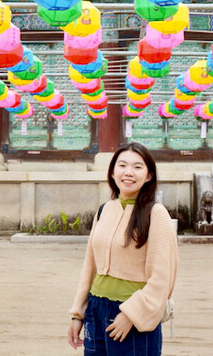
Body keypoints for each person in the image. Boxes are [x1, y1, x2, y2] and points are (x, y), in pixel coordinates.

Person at [68, 142, 178, 355]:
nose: (129, 172)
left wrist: (131, 314)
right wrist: (78, 314)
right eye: (122, 165)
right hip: (96, 310)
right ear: (112, 172)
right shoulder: (104, 211)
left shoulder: (156, 214)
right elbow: (89, 268)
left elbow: (162, 278)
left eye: (138, 167)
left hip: (132, 315)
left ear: (148, 176)